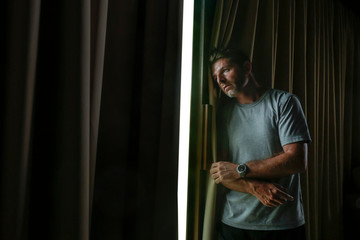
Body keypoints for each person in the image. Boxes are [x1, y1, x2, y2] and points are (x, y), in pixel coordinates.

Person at [209, 48, 311, 240]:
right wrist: (253, 187)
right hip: (233, 224)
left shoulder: (284, 102)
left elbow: (297, 160)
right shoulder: (222, 114)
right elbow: (220, 172)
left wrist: (240, 169)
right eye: (215, 77)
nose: (220, 81)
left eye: (226, 70)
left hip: (281, 224)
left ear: (247, 68)